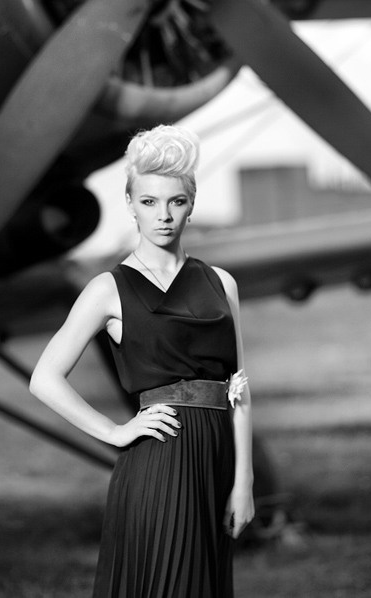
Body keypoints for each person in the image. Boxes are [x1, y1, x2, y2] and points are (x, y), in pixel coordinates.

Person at [29, 124, 254, 598]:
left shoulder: (222, 284)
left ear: (191, 205)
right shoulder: (108, 289)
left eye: (175, 202)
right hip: (159, 461)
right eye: (149, 202)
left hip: (215, 462)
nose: (163, 215)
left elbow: (238, 388)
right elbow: (44, 378)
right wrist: (114, 431)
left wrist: (244, 482)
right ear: (130, 205)